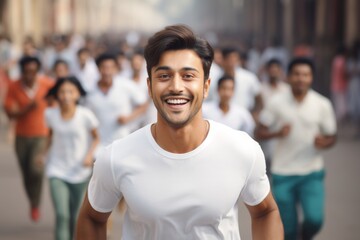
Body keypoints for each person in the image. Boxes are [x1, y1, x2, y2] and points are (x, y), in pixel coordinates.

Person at [76, 24, 283, 240]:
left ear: (205, 86)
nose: (176, 86)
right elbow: (92, 218)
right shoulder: (116, 157)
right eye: (164, 76)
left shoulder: (242, 150)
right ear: (150, 86)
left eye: (188, 76)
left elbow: (266, 212)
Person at [255, 58, 337, 240]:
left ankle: (305, 236)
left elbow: (332, 136)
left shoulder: (322, 104)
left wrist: (324, 142)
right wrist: (277, 134)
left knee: (315, 220)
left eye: (305, 75)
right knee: (289, 229)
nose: (301, 78)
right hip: (283, 173)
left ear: (311, 78)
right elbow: (259, 131)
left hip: (312, 172)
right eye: (297, 74)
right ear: (289, 77)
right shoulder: (276, 102)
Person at [43, 76, 99, 240]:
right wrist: (43, 154)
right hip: (56, 169)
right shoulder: (50, 114)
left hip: (80, 171)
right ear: (57, 95)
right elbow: (51, 136)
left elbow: (96, 137)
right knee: (62, 214)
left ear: (77, 94)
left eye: (70, 91)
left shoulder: (86, 115)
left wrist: (89, 156)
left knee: (76, 217)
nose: (66, 95)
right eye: (62, 92)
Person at [3, 56, 54, 221]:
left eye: (33, 71)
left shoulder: (47, 84)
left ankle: (36, 202)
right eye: (26, 72)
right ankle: (33, 202)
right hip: (22, 135)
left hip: (41, 134)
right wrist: (26, 109)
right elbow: (10, 113)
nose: (30, 75)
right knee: (26, 172)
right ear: (22, 72)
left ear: (37, 72)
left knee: (36, 169)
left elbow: (57, 101)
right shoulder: (14, 86)